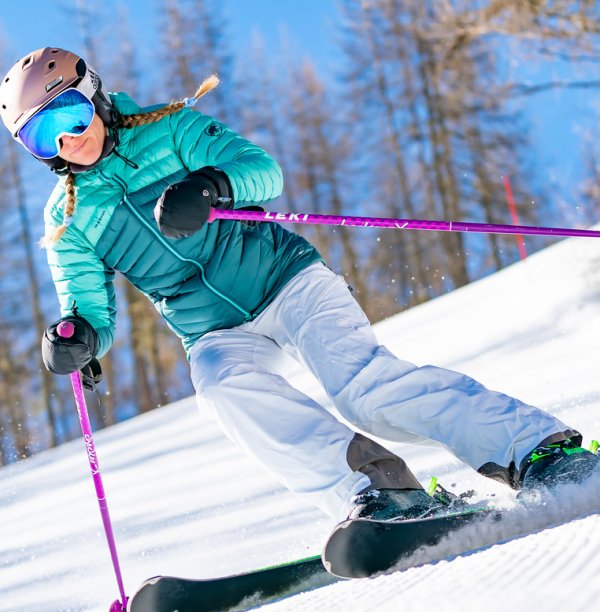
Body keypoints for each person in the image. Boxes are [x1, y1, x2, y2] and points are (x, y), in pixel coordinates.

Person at [1, 47, 597, 524]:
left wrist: (210, 187)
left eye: (70, 118)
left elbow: (264, 172)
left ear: (96, 96)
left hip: (286, 280)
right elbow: (89, 312)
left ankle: (540, 449)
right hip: (209, 329)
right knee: (221, 388)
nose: (66, 142)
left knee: (365, 389)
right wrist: (75, 336)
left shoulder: (172, 129)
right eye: (40, 138)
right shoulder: (68, 221)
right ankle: (378, 492)